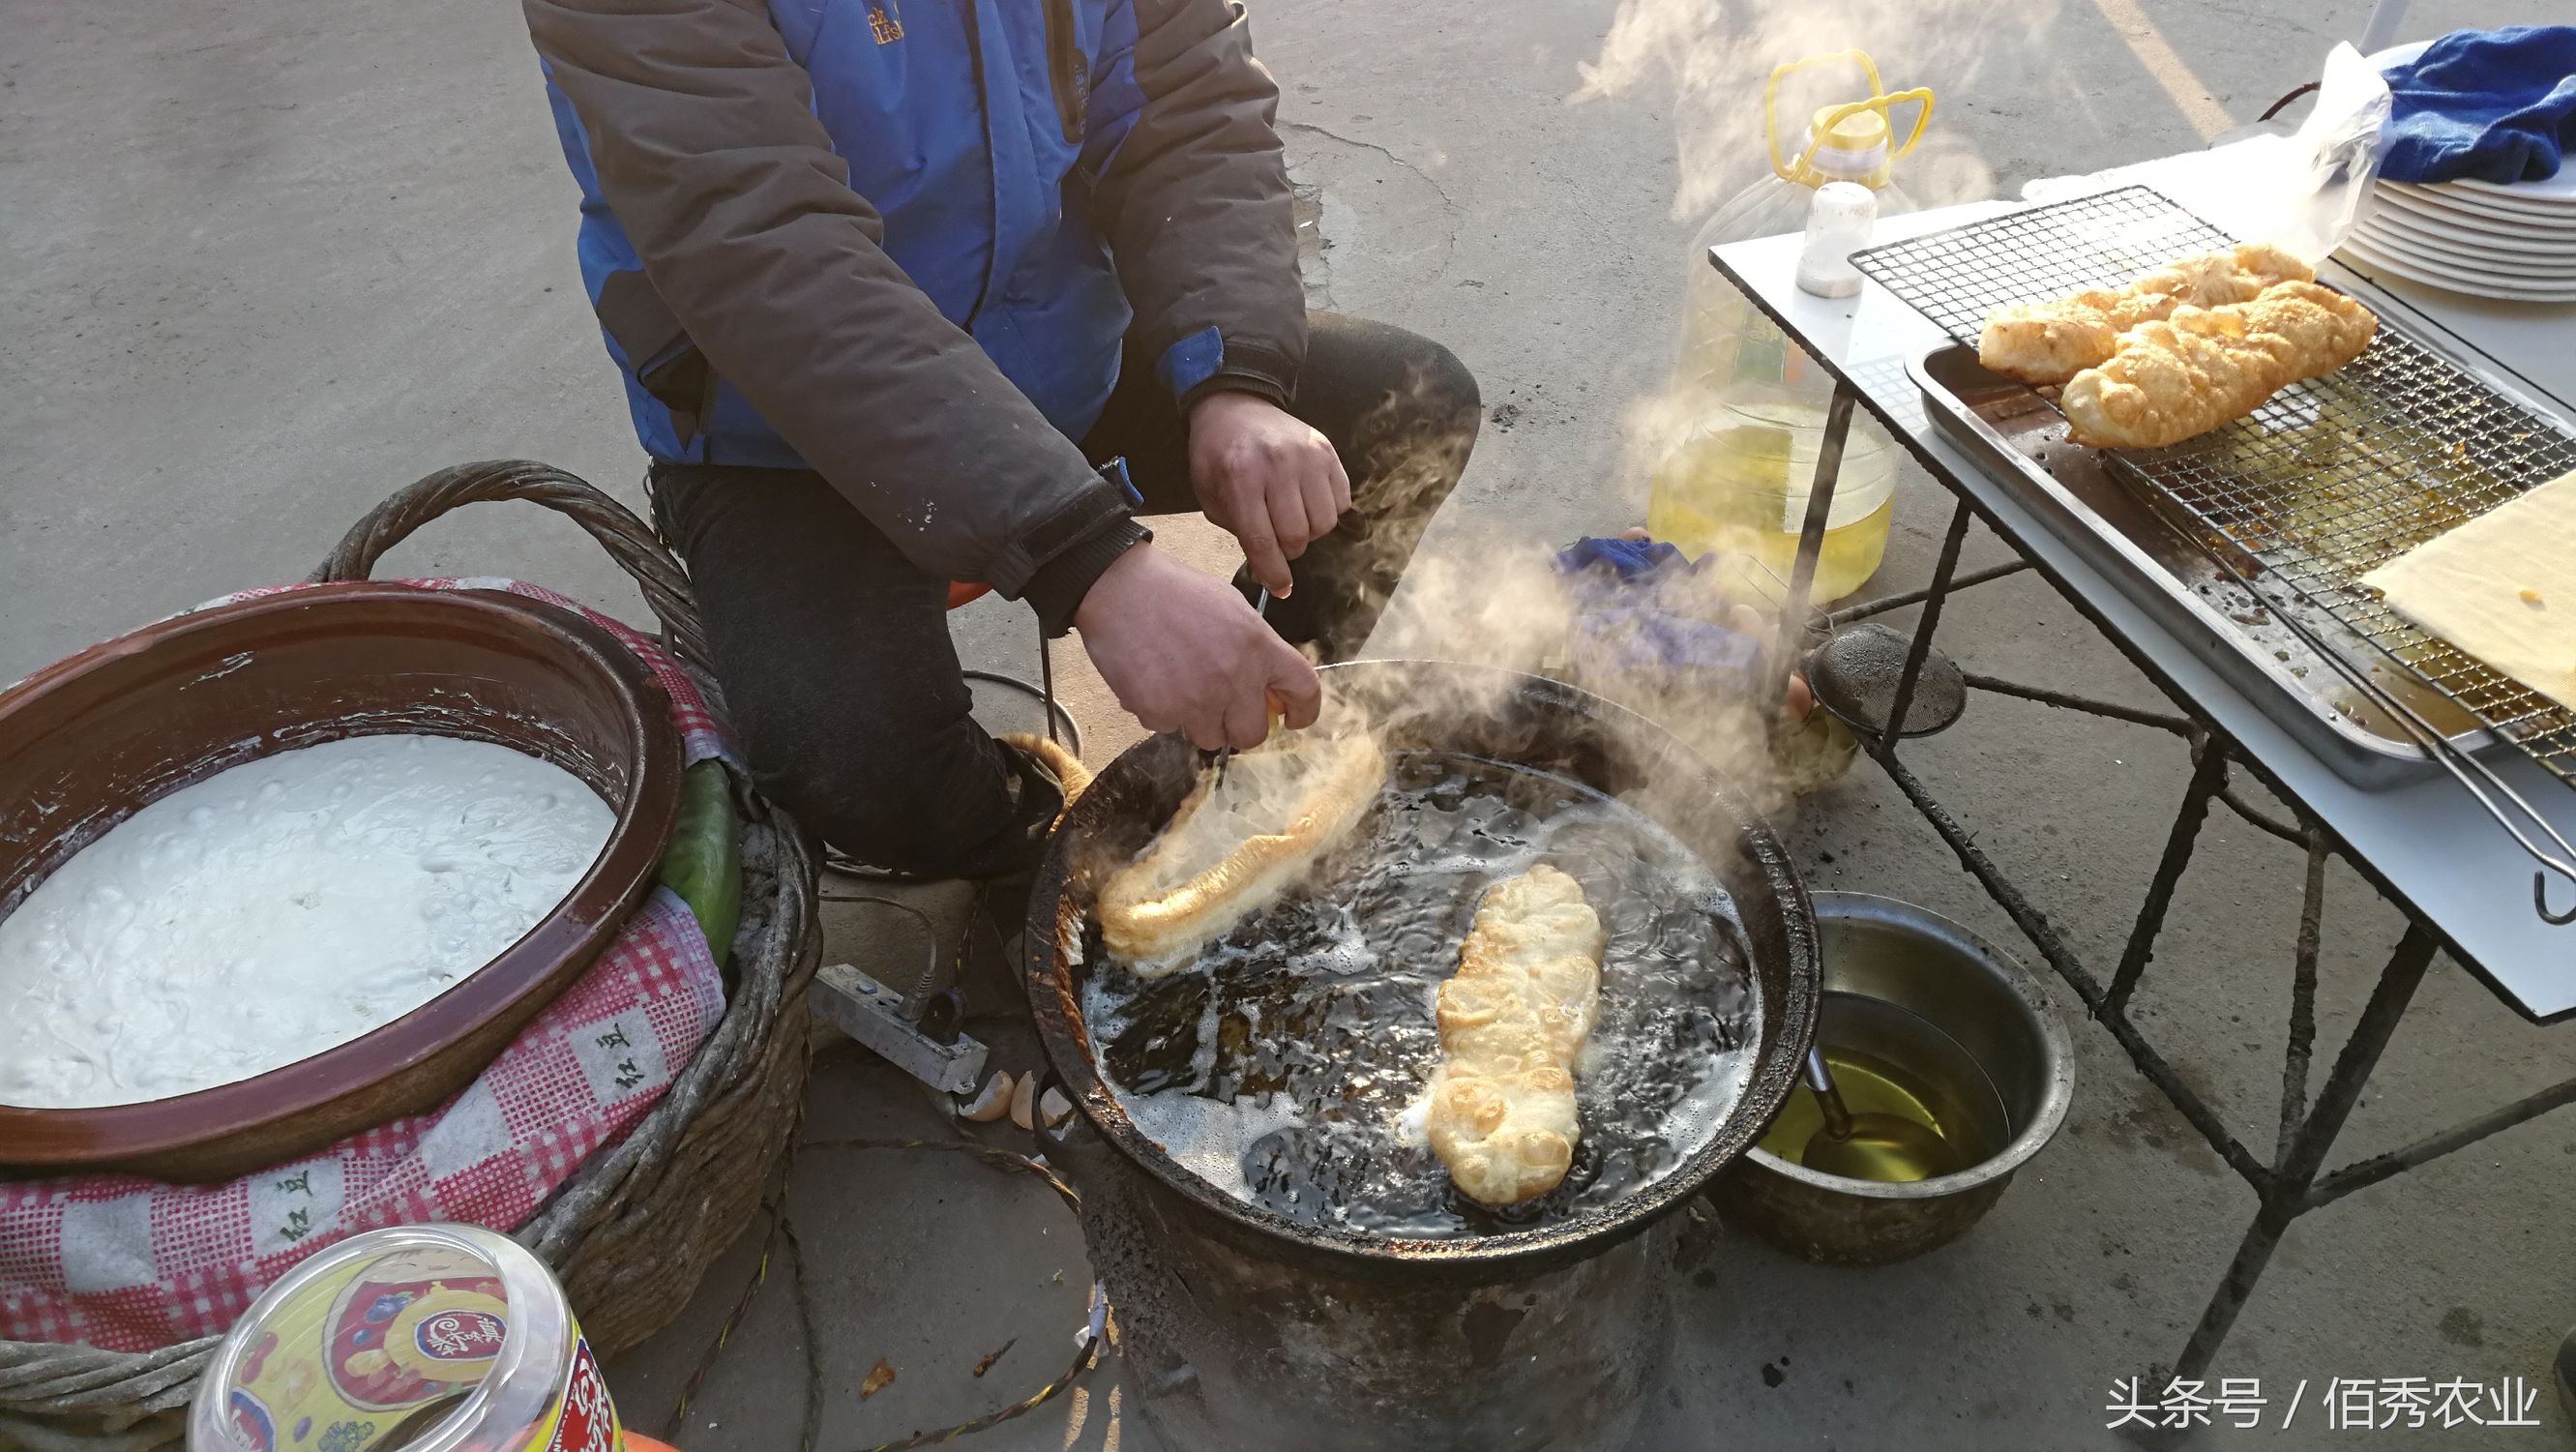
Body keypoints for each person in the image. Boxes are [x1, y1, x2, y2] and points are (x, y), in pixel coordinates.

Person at [522, 0, 1479, 881]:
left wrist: (1236, 380)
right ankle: (1041, 848)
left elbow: (1190, 111)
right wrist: (1089, 561)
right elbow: (763, 249)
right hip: (782, 422)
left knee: (1410, 413)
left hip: (1054, 335)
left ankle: (1252, 741)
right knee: (854, 763)